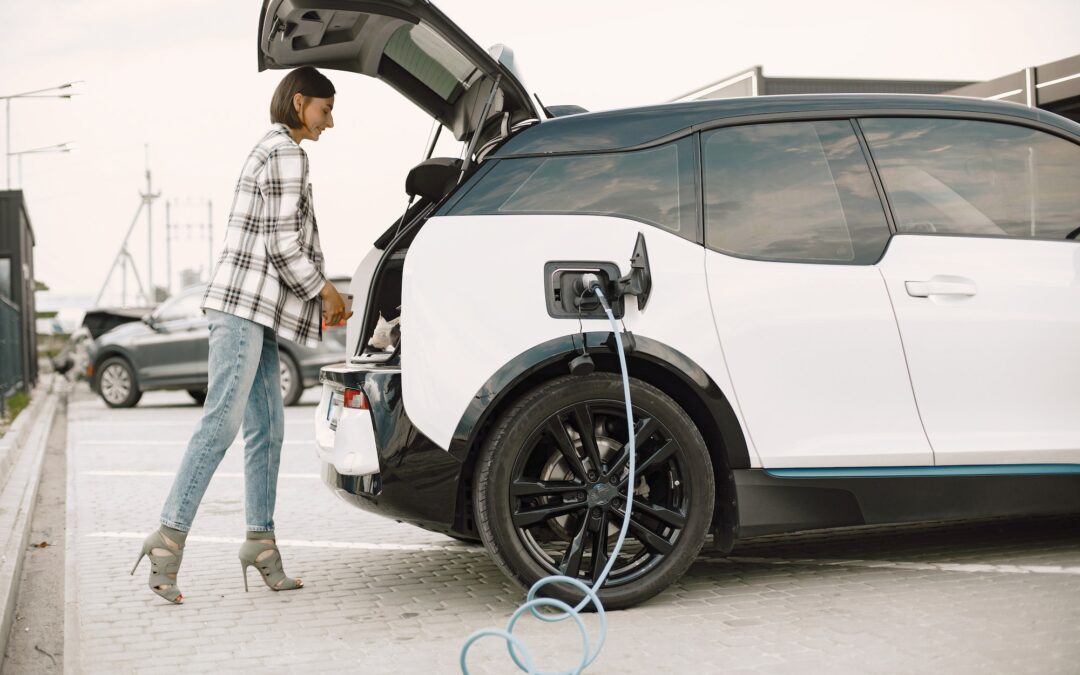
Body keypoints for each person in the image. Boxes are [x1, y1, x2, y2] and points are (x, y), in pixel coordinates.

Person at [130, 66, 350, 604]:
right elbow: (282, 243)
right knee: (220, 424)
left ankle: (261, 542)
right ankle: (167, 539)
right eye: (325, 110)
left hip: (259, 311)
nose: (331, 123)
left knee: (268, 430)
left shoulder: (273, 148)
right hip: (241, 307)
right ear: (300, 103)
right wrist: (326, 291)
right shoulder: (287, 153)